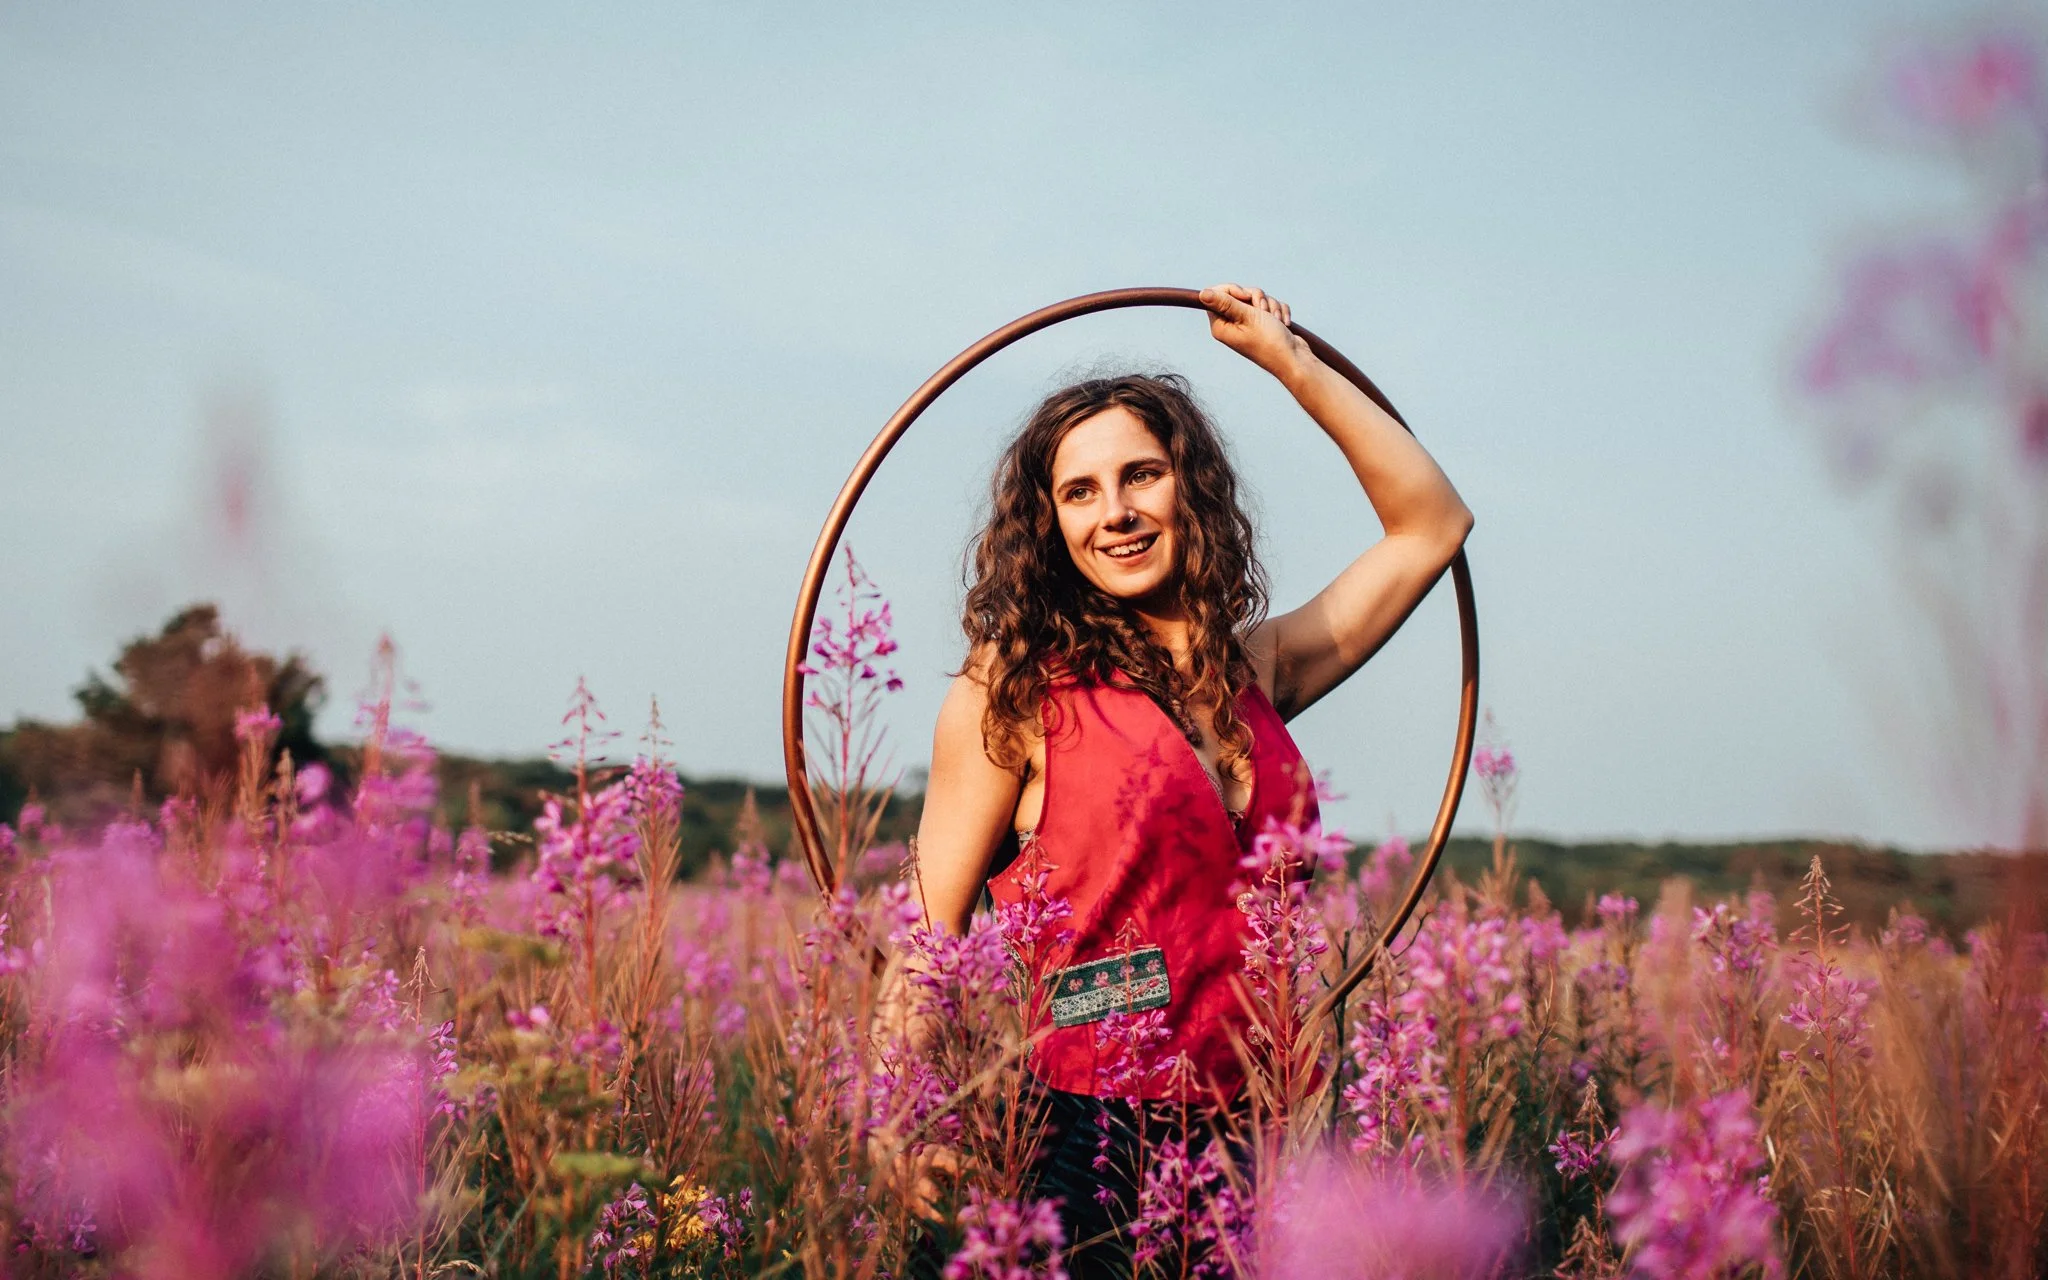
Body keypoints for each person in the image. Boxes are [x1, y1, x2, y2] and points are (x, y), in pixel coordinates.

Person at [894, 282, 1473, 1272]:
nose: (1114, 511)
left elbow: (1430, 525)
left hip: (1266, 1127)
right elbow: (925, 927)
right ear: (1047, 524)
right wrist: (898, 1112)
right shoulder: (1015, 684)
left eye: (1140, 475)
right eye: (1079, 491)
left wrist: (1291, 363)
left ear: (1187, 487)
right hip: (1086, 1134)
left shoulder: (1256, 668)